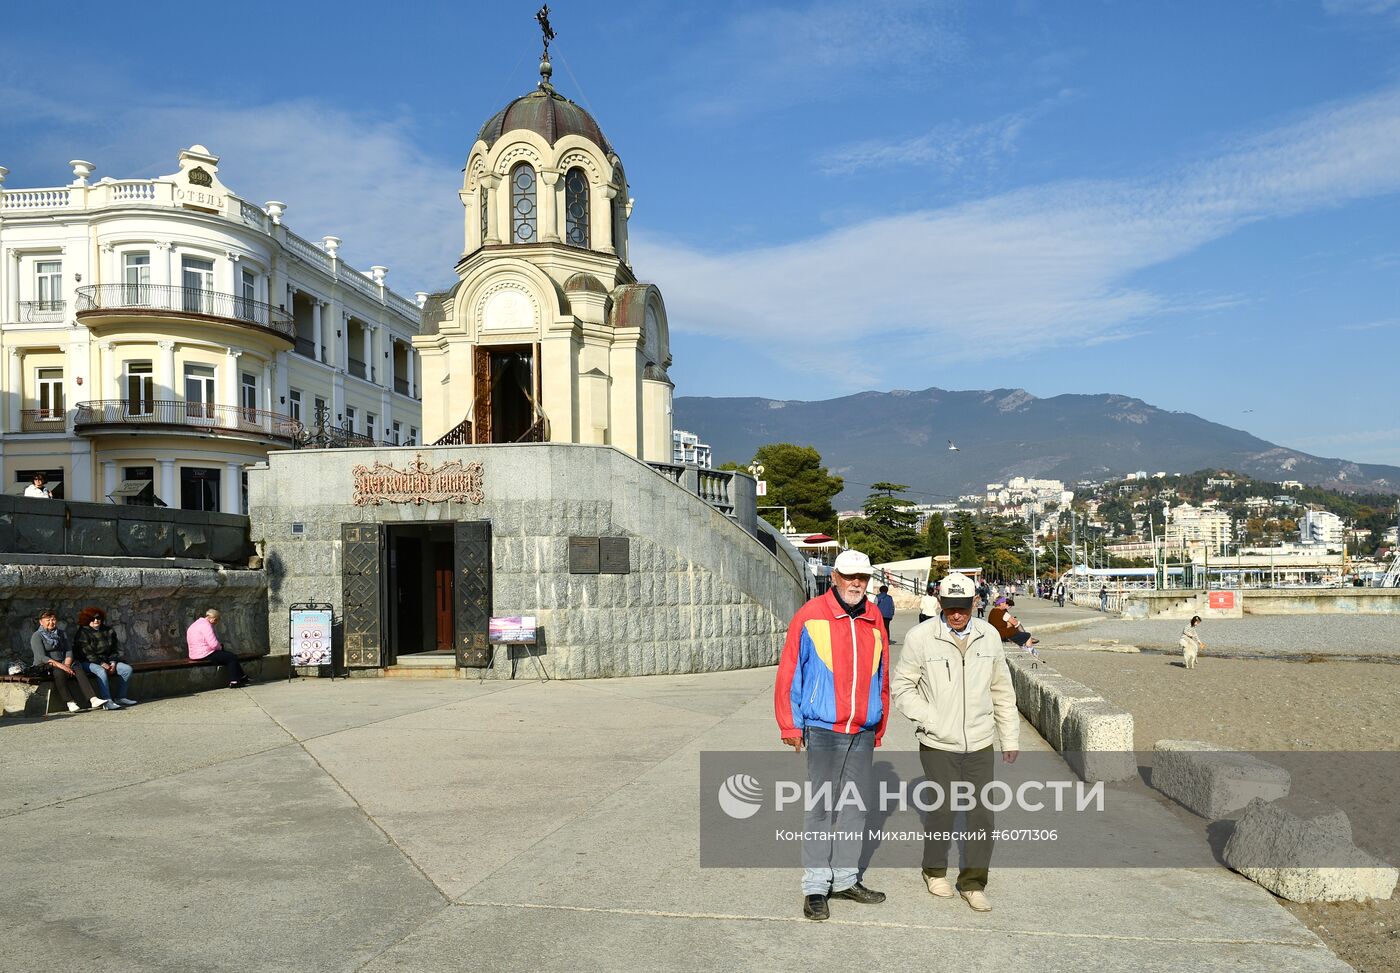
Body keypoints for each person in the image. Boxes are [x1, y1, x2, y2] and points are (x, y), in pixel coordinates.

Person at [891, 573, 1020, 913]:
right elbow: (902, 687)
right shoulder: (920, 637)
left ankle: (974, 882)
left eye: (963, 607)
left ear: (975, 603)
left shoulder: (989, 636)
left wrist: (1009, 737)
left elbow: (1002, 689)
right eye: (950, 607)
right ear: (940, 603)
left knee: (981, 815)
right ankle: (934, 871)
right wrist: (930, 719)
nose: (957, 614)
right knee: (943, 810)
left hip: (979, 741)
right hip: (938, 743)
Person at [774, 548, 889, 921]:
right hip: (823, 728)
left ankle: (843, 879)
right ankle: (815, 886)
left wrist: (880, 721)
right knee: (821, 807)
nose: (856, 583)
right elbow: (790, 671)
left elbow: (882, 675)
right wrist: (789, 724)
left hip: (863, 729)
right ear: (835, 577)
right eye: (849, 576)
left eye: (863, 578)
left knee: (855, 807)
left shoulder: (874, 618)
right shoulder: (810, 616)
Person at [30, 609, 105, 713]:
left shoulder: (61, 633)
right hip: (47, 664)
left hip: (63, 662)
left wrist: (67, 664)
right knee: (59, 672)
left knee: (78, 669)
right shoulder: (37, 636)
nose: (51, 622)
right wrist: (62, 667)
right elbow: (41, 657)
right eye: (48, 620)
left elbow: (68, 650)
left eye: (53, 619)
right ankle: (70, 702)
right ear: (41, 622)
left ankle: (93, 699)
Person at [73, 607, 136, 710]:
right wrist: (102, 664)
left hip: (107, 660)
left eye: (98, 618)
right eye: (92, 619)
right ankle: (107, 701)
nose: (96, 620)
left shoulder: (108, 631)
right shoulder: (82, 633)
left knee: (127, 669)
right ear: (87, 620)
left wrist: (112, 663)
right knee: (101, 671)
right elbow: (87, 653)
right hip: (87, 662)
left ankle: (121, 697)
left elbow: (114, 649)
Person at [187, 608, 250, 687]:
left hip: (194, 654)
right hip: (204, 654)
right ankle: (234, 682)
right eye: (216, 621)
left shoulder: (196, 624)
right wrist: (220, 647)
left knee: (226, 656)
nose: (215, 623)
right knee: (231, 657)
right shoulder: (206, 625)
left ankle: (242, 677)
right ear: (214, 619)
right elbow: (213, 644)